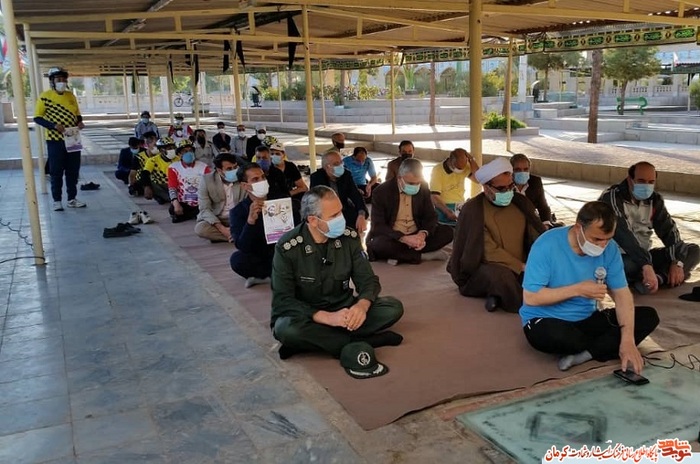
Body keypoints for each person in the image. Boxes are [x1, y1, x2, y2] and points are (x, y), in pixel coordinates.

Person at [270, 185, 405, 369]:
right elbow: (283, 300)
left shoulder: (349, 238)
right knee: (285, 329)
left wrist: (361, 306)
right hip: (308, 316)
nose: (341, 219)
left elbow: (368, 280)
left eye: (340, 212)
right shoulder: (288, 247)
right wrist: (326, 318)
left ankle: (317, 343)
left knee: (393, 307)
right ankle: (364, 340)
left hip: (344, 309)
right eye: (334, 216)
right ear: (313, 220)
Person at [519, 201, 660, 374]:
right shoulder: (546, 245)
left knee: (648, 317)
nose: (602, 246)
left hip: (586, 319)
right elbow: (531, 297)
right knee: (555, 336)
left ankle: (585, 354)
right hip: (547, 319)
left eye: (608, 239)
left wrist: (628, 340)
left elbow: (622, 295)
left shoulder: (610, 250)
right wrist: (577, 289)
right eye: (597, 239)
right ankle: (603, 347)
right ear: (578, 228)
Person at [448, 158, 546, 312]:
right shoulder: (473, 209)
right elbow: (488, 250)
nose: (507, 192)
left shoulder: (520, 202)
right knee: (500, 277)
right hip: (487, 266)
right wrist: (520, 266)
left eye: (510, 186)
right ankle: (529, 304)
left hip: (522, 264)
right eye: (501, 188)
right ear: (486, 187)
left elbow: (535, 234)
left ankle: (497, 295)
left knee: (547, 270)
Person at [598, 161, 700, 294]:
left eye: (651, 182)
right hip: (619, 255)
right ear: (630, 179)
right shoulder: (611, 197)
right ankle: (651, 276)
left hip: (645, 255)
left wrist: (677, 262)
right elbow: (623, 235)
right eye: (641, 181)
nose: (646, 186)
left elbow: (669, 231)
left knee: (692, 250)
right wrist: (646, 265)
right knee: (629, 265)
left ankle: (658, 279)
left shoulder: (655, 200)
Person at [367, 158, 453, 265]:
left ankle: (400, 255)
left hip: (416, 233)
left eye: (418, 183)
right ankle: (422, 256)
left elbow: (430, 216)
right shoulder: (381, 192)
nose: (415, 186)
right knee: (377, 245)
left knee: (448, 232)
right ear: (399, 178)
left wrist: (422, 235)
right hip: (394, 237)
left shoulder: (423, 187)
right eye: (411, 183)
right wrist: (403, 238)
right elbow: (378, 225)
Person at [33, 66, 87, 211]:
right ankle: (57, 200)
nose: (61, 82)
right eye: (58, 79)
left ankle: (72, 199)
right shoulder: (45, 97)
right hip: (54, 140)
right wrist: (53, 126)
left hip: (73, 138)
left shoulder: (71, 96)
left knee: (73, 170)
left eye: (64, 79)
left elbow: (77, 114)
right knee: (56, 171)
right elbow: (37, 118)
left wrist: (80, 122)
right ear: (52, 81)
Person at [229, 163, 280, 288]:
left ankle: (277, 275)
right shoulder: (238, 212)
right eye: (255, 179)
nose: (262, 181)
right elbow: (242, 246)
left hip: (285, 252)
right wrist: (250, 221)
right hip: (261, 256)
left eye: (263, 177)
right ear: (245, 186)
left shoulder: (281, 200)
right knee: (237, 259)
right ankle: (270, 276)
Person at [310, 150, 368, 235]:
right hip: (326, 213)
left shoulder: (346, 174)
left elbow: (356, 195)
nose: (341, 165)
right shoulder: (316, 177)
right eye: (336, 164)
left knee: (357, 217)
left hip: (342, 209)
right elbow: (316, 202)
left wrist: (361, 214)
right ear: (327, 167)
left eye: (341, 162)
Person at [195, 153, 245, 243]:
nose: (234, 171)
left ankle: (234, 236)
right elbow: (204, 209)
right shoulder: (207, 180)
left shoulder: (243, 177)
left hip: (238, 218)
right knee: (201, 229)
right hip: (218, 219)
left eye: (235, 167)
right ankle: (236, 236)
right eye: (229, 169)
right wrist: (222, 229)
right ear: (219, 170)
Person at [430, 148, 480, 226]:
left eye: (462, 168)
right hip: (443, 207)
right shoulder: (438, 170)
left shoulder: (465, 166)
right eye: (458, 168)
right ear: (450, 160)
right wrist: (446, 211)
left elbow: (479, 179)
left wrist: (472, 160)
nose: (460, 170)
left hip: (459, 206)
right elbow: (434, 196)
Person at [167, 140, 210, 223]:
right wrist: (175, 202)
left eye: (190, 151)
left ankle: (197, 215)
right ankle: (196, 215)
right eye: (185, 151)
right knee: (173, 210)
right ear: (179, 154)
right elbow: (172, 187)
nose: (188, 153)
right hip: (184, 202)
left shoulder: (203, 167)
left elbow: (209, 185)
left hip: (201, 202)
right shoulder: (173, 168)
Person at [510, 153, 558, 227]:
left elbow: (543, 207)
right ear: (511, 170)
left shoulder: (535, 181)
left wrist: (546, 224)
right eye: (518, 170)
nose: (522, 172)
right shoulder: (506, 184)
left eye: (525, 169)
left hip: (531, 222)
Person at [142, 137, 179, 205]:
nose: (172, 150)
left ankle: (166, 198)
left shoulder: (178, 159)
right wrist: (146, 187)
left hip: (174, 185)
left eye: (173, 147)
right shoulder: (153, 160)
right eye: (169, 148)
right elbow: (145, 174)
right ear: (161, 150)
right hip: (160, 185)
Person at [129, 131, 159, 196]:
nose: (157, 147)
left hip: (158, 180)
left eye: (158, 146)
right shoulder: (139, 157)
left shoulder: (161, 155)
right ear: (147, 144)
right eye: (155, 145)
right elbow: (132, 173)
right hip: (143, 181)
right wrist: (131, 185)